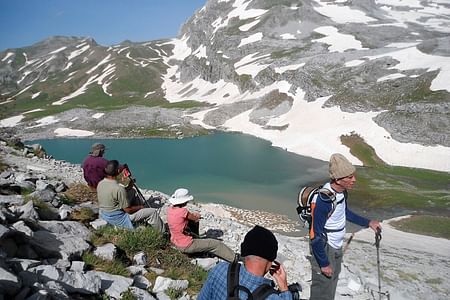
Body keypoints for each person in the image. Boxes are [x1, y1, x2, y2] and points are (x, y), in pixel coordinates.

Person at [309, 153, 381, 300]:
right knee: (322, 288)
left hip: (336, 245)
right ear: (338, 179)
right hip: (326, 247)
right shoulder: (324, 200)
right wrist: (323, 263)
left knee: (331, 283)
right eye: (349, 177)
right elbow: (315, 235)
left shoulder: (341, 193)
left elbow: (344, 212)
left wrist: (368, 223)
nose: (354, 180)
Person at [198, 225, 293, 300]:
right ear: (271, 260)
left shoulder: (219, 270)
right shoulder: (272, 297)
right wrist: (284, 288)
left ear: (244, 252)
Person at [167, 188, 235, 262]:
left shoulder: (170, 209)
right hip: (185, 245)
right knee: (216, 244)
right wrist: (197, 215)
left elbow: (185, 219)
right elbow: (195, 218)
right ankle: (235, 258)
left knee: (193, 223)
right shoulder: (183, 211)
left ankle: (196, 243)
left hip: (174, 241)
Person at [97, 160, 164, 232]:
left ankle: (140, 218)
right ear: (118, 171)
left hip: (105, 213)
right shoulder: (118, 189)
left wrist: (129, 186)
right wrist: (141, 207)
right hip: (118, 217)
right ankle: (162, 233)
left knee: (132, 191)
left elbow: (115, 193)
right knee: (152, 212)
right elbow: (129, 210)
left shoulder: (101, 183)